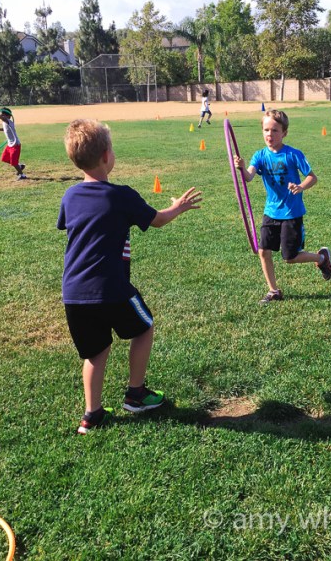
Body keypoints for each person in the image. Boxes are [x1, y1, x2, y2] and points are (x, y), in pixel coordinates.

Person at [58, 118, 202, 435]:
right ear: (106, 156)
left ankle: (92, 415)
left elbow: (69, 225)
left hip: (74, 292)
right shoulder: (121, 195)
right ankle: (136, 394)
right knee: (144, 326)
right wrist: (178, 207)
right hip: (112, 287)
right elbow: (157, 220)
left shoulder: (70, 196)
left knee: (95, 353)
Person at [234, 109, 331, 304]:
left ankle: (321, 259)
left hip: (291, 213)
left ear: (284, 133)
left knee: (290, 257)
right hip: (270, 212)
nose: (269, 134)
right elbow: (249, 177)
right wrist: (242, 167)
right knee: (263, 251)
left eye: (275, 130)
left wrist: (300, 186)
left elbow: (312, 177)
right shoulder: (260, 155)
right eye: (266, 130)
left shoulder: (293, 154)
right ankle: (273, 291)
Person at [0, 107, 26, 180]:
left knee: (14, 162)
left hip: (15, 145)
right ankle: (20, 166)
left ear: (8, 116)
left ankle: (22, 175)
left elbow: (3, 119)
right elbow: (4, 129)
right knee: (4, 159)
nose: (1, 116)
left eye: (3, 115)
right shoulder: (5, 122)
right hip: (9, 145)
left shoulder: (8, 121)